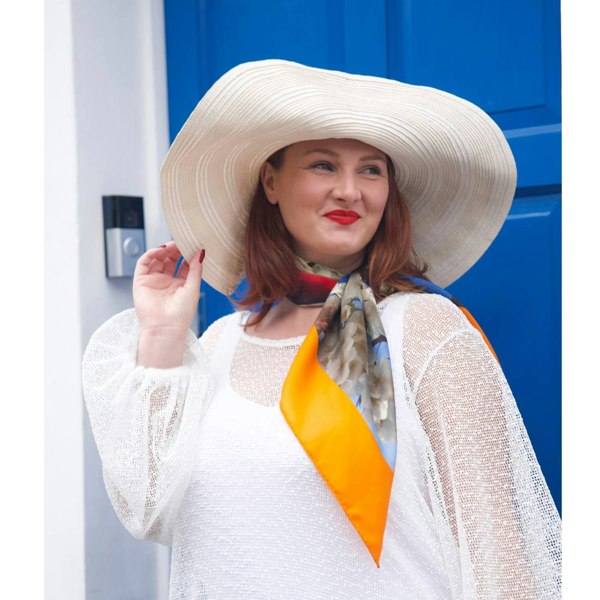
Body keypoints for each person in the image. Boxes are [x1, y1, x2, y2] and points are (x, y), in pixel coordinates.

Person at [82, 60, 561, 599]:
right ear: (271, 181)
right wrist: (163, 340)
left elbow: (500, 552)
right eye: (323, 165)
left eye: (372, 170)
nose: (350, 191)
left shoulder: (423, 330)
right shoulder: (219, 344)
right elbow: (148, 510)